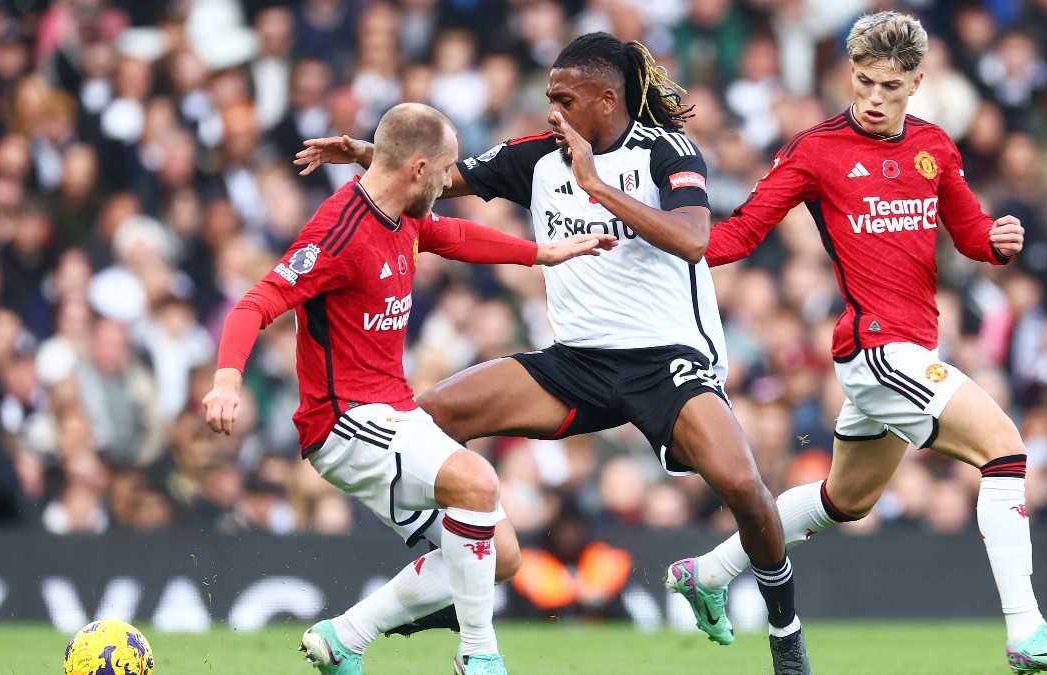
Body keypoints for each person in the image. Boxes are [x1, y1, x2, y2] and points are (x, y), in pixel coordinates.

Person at [296, 32, 811, 675]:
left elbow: (693, 239)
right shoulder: (537, 157)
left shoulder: (667, 151)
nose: (552, 111)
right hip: (578, 362)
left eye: (565, 100)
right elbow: (440, 177)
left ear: (606, 100)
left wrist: (595, 184)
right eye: (550, 97)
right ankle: (455, 575)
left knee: (743, 487)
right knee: (427, 421)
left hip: (667, 362)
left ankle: (785, 635)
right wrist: (371, 155)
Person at [677, 12, 1047, 675]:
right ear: (850, 73)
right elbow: (740, 233)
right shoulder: (815, 150)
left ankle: (707, 571)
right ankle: (1027, 629)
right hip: (877, 349)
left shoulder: (934, 146)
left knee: (843, 500)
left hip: (905, 352)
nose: (874, 98)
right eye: (865, 82)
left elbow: (969, 232)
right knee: (1006, 448)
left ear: (917, 84)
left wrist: (996, 240)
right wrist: (664, 243)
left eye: (891, 86)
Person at [203, 102, 614, 675]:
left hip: (393, 409)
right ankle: (479, 654)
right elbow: (258, 302)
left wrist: (540, 253)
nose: (449, 182)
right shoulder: (340, 231)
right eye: (445, 171)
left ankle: (345, 636)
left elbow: (455, 234)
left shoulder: (405, 210)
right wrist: (227, 381)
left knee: (500, 556)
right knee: (478, 481)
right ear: (418, 169)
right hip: (343, 420)